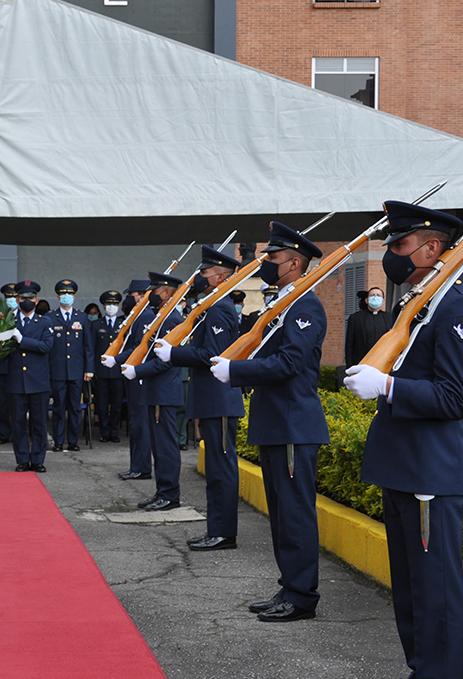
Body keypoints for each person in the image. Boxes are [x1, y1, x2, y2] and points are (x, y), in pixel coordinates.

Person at [344, 202, 463, 679]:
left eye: (400, 247)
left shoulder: (458, 309)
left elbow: (453, 397)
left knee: (436, 593)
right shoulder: (422, 305)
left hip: (430, 472)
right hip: (403, 467)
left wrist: (387, 387)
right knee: (408, 590)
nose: (390, 257)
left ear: (432, 249)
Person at [211, 223, 328, 621]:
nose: (266, 263)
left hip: (293, 424)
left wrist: (238, 371)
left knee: (294, 513)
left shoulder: (306, 306)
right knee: (282, 513)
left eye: (273, 258)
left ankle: (301, 596)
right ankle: (289, 585)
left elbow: (291, 363)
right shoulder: (285, 305)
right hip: (278, 423)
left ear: (295, 263)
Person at [154, 245, 245, 551]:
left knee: (221, 469)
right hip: (211, 398)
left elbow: (212, 355)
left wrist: (174, 353)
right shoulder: (211, 306)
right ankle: (216, 529)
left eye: (204, 273)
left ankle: (223, 533)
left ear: (220, 277)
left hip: (219, 399)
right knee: (216, 469)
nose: (199, 277)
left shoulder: (219, 308)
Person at [128, 272, 185, 511]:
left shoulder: (171, 319)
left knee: (165, 446)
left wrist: (137, 371)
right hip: (156, 389)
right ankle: (162, 491)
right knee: (158, 446)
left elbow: (166, 361)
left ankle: (170, 494)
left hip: (163, 390)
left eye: (155, 289)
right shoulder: (160, 317)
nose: (150, 294)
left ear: (167, 292)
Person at [106, 279, 153, 480]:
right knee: (136, 423)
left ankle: (141, 467)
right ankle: (137, 465)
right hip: (133, 374)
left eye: (132, 296)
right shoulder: (138, 315)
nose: (129, 300)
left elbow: (138, 347)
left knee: (140, 423)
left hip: (139, 375)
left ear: (142, 296)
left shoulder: (146, 316)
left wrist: (116, 359)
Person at [7, 281, 55, 472]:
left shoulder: (45, 322)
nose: (27, 301)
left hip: (38, 381)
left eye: (30, 298)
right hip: (17, 380)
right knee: (18, 423)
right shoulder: (9, 322)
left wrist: (22, 340)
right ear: (17, 300)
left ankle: (37, 460)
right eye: (23, 298)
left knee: (39, 422)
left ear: (36, 300)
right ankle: (22, 460)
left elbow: (46, 347)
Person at [47, 279, 94, 451]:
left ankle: (73, 441)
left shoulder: (81, 317)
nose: (66, 297)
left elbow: (87, 346)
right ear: (58, 298)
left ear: (74, 297)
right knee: (58, 408)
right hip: (57, 370)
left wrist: (89, 369)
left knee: (75, 408)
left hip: (77, 371)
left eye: (69, 294)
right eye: (63, 294)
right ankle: (59, 442)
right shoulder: (51, 317)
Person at [91, 290, 124, 442]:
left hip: (118, 371)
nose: (112, 307)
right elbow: (92, 348)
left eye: (115, 304)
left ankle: (114, 431)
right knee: (102, 404)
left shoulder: (123, 324)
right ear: (103, 307)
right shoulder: (97, 325)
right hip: (102, 371)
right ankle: (104, 432)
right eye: (109, 304)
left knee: (117, 404)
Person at [0, 283, 18, 444]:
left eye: (14, 297)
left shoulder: (24, 316)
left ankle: (17, 434)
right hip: (1, 367)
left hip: (19, 367)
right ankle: (3, 433)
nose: (11, 300)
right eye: (8, 297)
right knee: (1, 404)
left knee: (18, 405)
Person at [345, 285, 392, 367]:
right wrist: (350, 368)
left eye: (378, 295)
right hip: (361, 364)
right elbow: (349, 346)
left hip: (383, 365)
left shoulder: (390, 318)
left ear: (383, 301)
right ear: (366, 300)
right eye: (372, 295)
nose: (375, 297)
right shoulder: (355, 318)